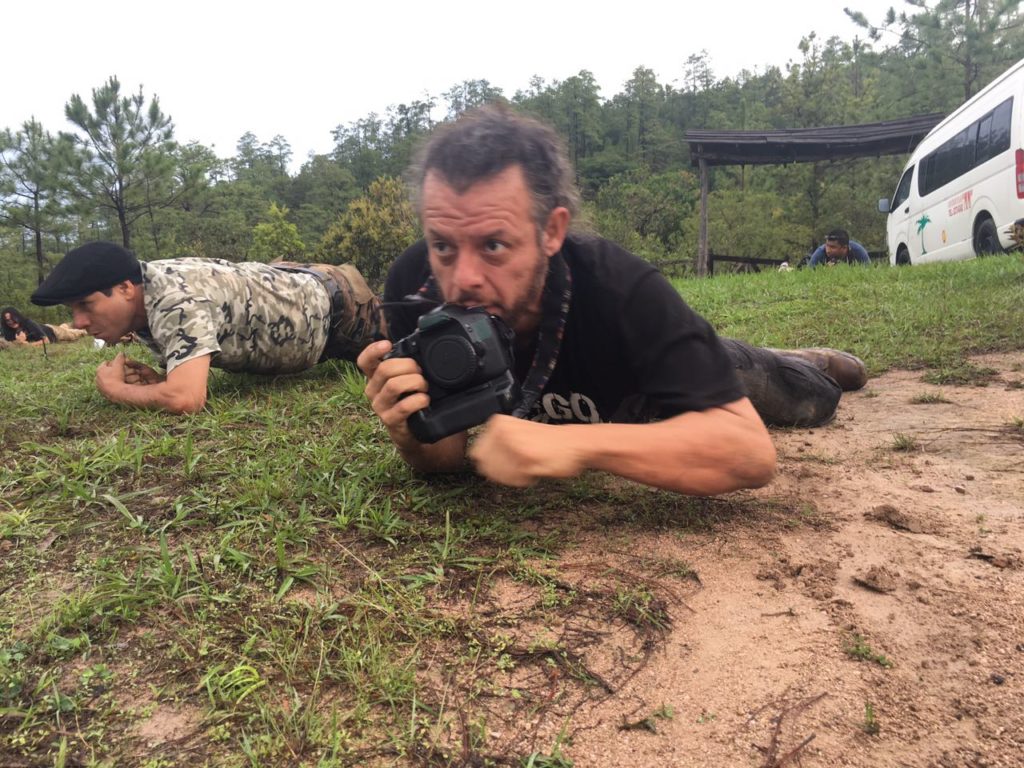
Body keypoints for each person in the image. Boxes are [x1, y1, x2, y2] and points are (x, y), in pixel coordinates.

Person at [358, 106, 867, 497]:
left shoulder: (620, 286)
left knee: (812, 399)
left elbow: (749, 454)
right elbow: (444, 460)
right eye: (443, 245)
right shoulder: (415, 286)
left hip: (653, 385)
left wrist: (571, 445)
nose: (462, 278)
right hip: (613, 409)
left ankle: (801, 359)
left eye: (494, 245)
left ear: (552, 230)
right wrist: (407, 429)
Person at [29, 243, 383, 414]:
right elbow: (181, 380)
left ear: (124, 289)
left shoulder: (173, 298)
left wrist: (114, 389)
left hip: (342, 311)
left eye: (85, 305)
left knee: (417, 337)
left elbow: (187, 399)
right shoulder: (146, 292)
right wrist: (163, 379)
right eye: (72, 310)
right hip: (293, 283)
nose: (77, 322)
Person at [1, 306, 87, 346]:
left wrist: (26, 344)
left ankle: (84, 330)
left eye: (13, 318)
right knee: (63, 328)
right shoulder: (7, 330)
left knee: (73, 335)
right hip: (43, 327)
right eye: (8, 320)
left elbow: (46, 341)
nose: (11, 322)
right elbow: (9, 343)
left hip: (52, 331)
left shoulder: (28, 323)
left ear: (18, 316)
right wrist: (19, 342)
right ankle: (65, 325)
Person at [807, 229, 871, 267]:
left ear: (844, 247)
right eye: (826, 245)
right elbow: (809, 275)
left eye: (832, 247)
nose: (828, 250)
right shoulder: (820, 253)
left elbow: (869, 272)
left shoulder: (858, 251)